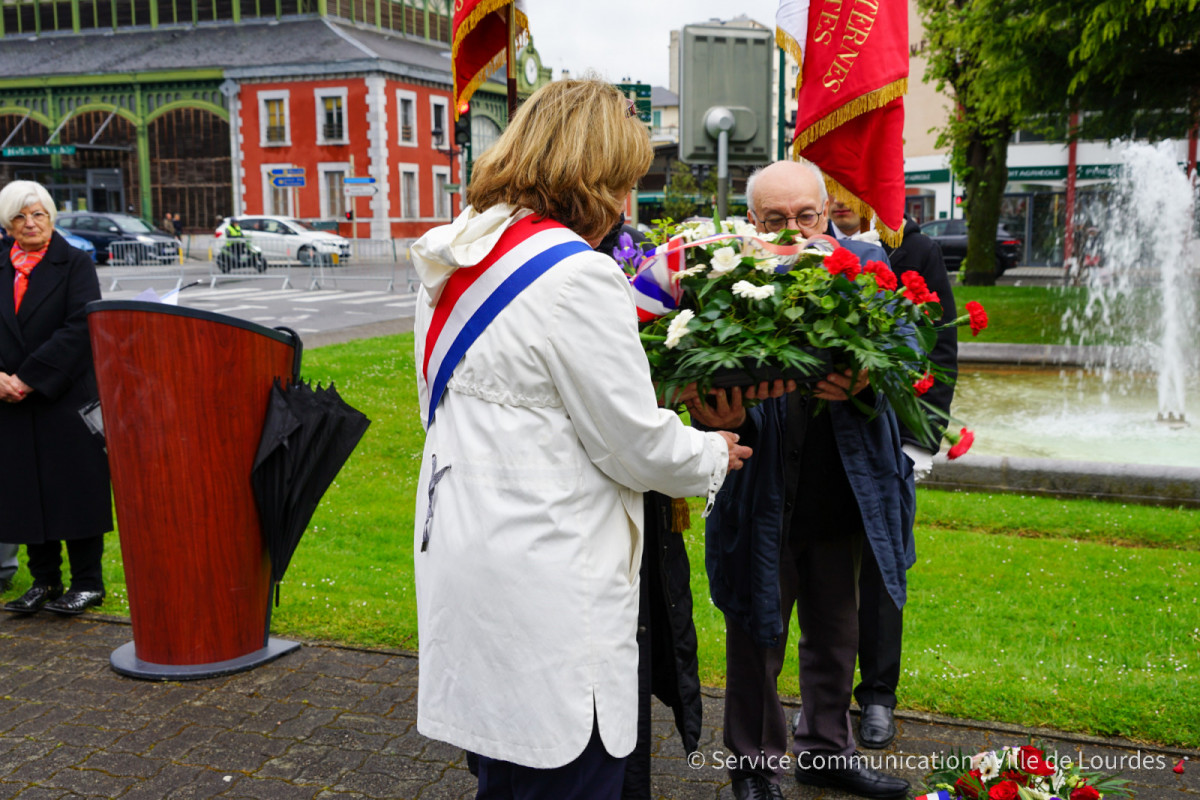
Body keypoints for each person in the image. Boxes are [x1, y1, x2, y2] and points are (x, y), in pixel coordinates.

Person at [408, 79, 752, 800]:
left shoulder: (459, 254)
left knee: (507, 763)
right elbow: (632, 443)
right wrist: (712, 452)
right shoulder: (577, 275)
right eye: (624, 181)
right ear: (595, 177)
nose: (628, 200)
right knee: (564, 762)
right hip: (547, 566)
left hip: (471, 544)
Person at [690, 159, 915, 800]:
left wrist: (872, 378)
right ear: (751, 221)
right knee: (756, 632)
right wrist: (714, 414)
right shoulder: (722, 279)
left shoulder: (871, 271)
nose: (794, 230)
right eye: (775, 219)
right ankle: (754, 768)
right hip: (761, 489)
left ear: (828, 211)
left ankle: (825, 752)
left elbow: (910, 358)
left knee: (837, 632)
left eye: (806, 216)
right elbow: (693, 374)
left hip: (846, 489)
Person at [0, 180, 113, 616]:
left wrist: (27, 378)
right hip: (10, 401)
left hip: (63, 397)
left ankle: (88, 583)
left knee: (75, 490)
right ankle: (44, 580)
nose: (30, 224)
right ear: (8, 225)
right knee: (24, 491)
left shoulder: (76, 263)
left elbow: (82, 327)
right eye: (20, 217)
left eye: (38, 214)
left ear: (51, 217)